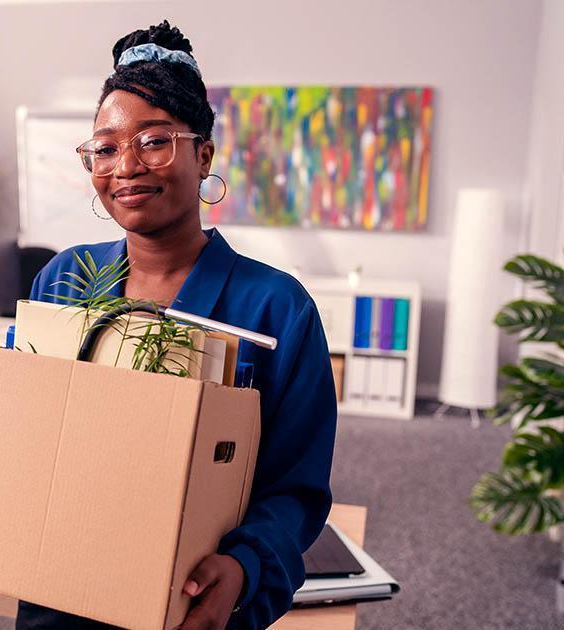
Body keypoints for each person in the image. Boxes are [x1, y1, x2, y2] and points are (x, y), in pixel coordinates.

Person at [19, 20, 338, 630]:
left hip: (189, 600)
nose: (127, 167)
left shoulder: (277, 308)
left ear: (204, 154)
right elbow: (32, 436)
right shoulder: (62, 280)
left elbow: (295, 491)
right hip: (60, 588)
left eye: (154, 141)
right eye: (106, 148)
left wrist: (244, 569)